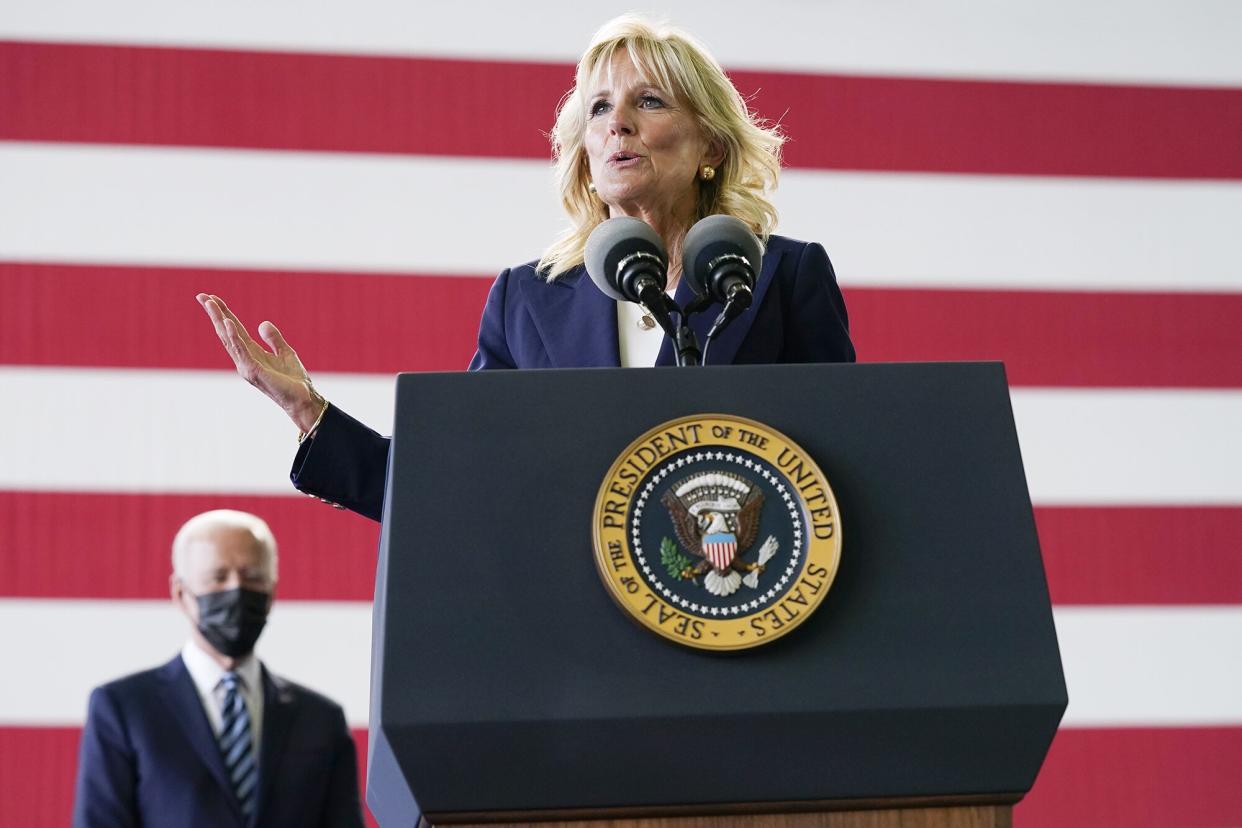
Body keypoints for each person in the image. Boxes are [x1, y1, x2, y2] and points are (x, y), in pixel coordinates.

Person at [196, 15, 855, 522]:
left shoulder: (778, 277)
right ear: (583, 149)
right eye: (599, 108)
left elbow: (846, 469)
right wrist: (311, 413)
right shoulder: (528, 300)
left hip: (738, 624)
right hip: (577, 649)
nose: (617, 123)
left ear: (711, 144)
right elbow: (454, 482)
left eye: (648, 101)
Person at [72, 510, 365, 828]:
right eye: (217, 577)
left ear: (272, 592)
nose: (236, 589)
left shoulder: (321, 720)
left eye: (253, 576)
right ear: (181, 594)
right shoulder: (123, 709)